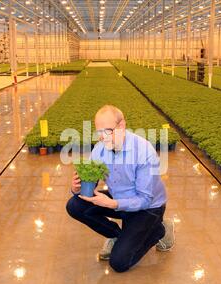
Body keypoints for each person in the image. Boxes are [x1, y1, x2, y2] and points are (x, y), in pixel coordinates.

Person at [66, 105, 175, 273]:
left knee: (119, 263)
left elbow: (145, 199)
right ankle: (117, 235)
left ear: (122, 126)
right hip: (117, 199)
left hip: (148, 208)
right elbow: (91, 181)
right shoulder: (100, 148)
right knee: (74, 205)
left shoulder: (144, 152)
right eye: (99, 132)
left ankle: (160, 230)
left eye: (108, 131)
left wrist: (112, 204)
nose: (103, 137)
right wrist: (77, 188)